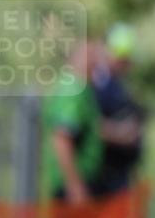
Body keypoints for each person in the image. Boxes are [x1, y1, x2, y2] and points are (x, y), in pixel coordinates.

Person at [43, 41, 104, 204]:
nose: (97, 62)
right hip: (72, 186)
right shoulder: (72, 90)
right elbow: (62, 138)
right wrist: (75, 186)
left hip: (80, 181)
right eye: (92, 56)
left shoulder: (82, 89)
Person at [91, 23, 146, 195]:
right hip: (103, 176)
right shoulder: (100, 84)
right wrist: (120, 133)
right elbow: (91, 124)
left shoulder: (117, 84)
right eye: (124, 59)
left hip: (119, 176)